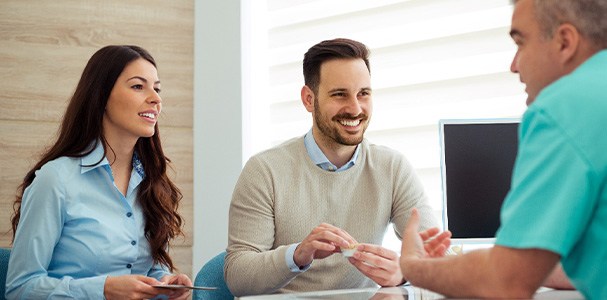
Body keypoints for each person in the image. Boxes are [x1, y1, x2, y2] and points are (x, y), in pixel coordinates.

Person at [399, 0, 607, 299]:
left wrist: (412, 265)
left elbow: (505, 283)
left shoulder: (565, 107)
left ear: (565, 41)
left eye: (521, 43)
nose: (513, 65)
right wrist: (458, 266)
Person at [225, 38, 446, 297]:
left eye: (363, 93)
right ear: (309, 99)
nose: (355, 108)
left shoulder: (392, 168)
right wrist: (296, 255)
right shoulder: (264, 171)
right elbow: (237, 276)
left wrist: (404, 273)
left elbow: (435, 256)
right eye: (340, 94)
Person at [6, 45, 192, 300]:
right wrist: (103, 290)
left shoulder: (153, 183)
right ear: (102, 96)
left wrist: (165, 282)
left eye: (157, 89)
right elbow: (20, 288)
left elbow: (148, 269)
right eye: (138, 86)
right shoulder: (56, 180)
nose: (156, 99)